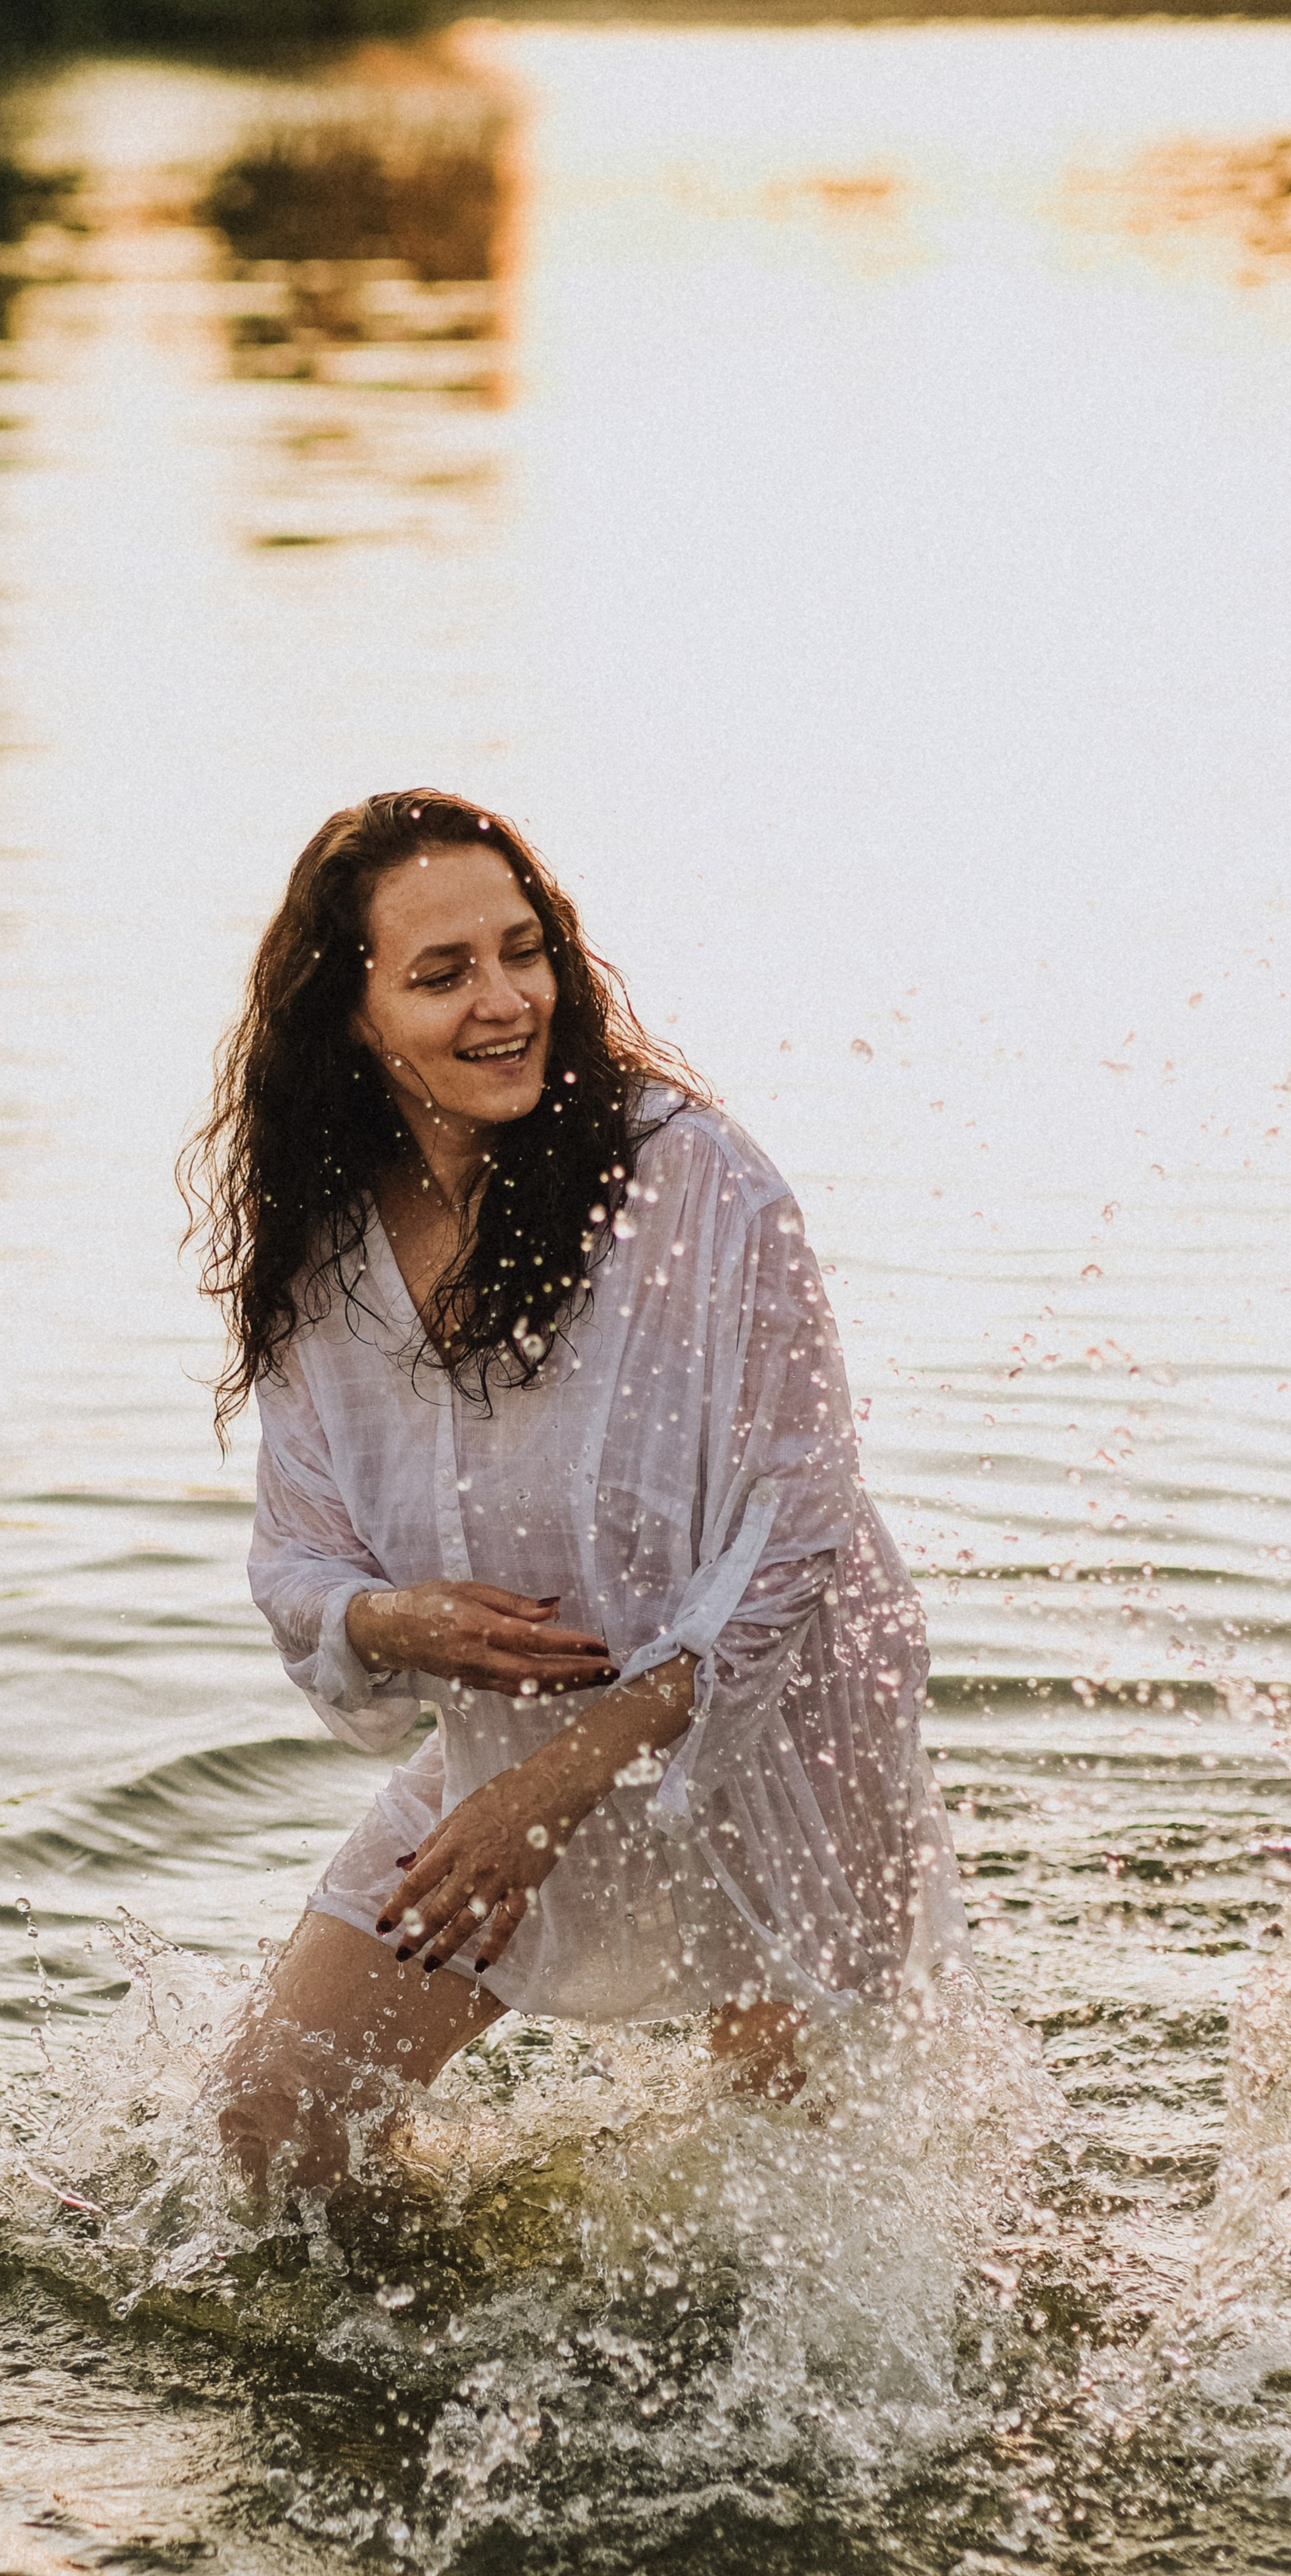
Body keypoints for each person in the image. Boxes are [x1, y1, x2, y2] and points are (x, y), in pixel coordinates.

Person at [182, 791, 967, 2196]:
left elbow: (801, 1530)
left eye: (523, 951)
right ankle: (450, 2325)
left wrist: (557, 1786)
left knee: (795, 2212)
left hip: (780, 1733)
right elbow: (297, 1557)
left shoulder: (696, 1185)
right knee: (279, 2127)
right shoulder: (327, 1247)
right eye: (442, 974)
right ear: (348, 1017)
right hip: (515, 1750)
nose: (505, 1002)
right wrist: (391, 1623)